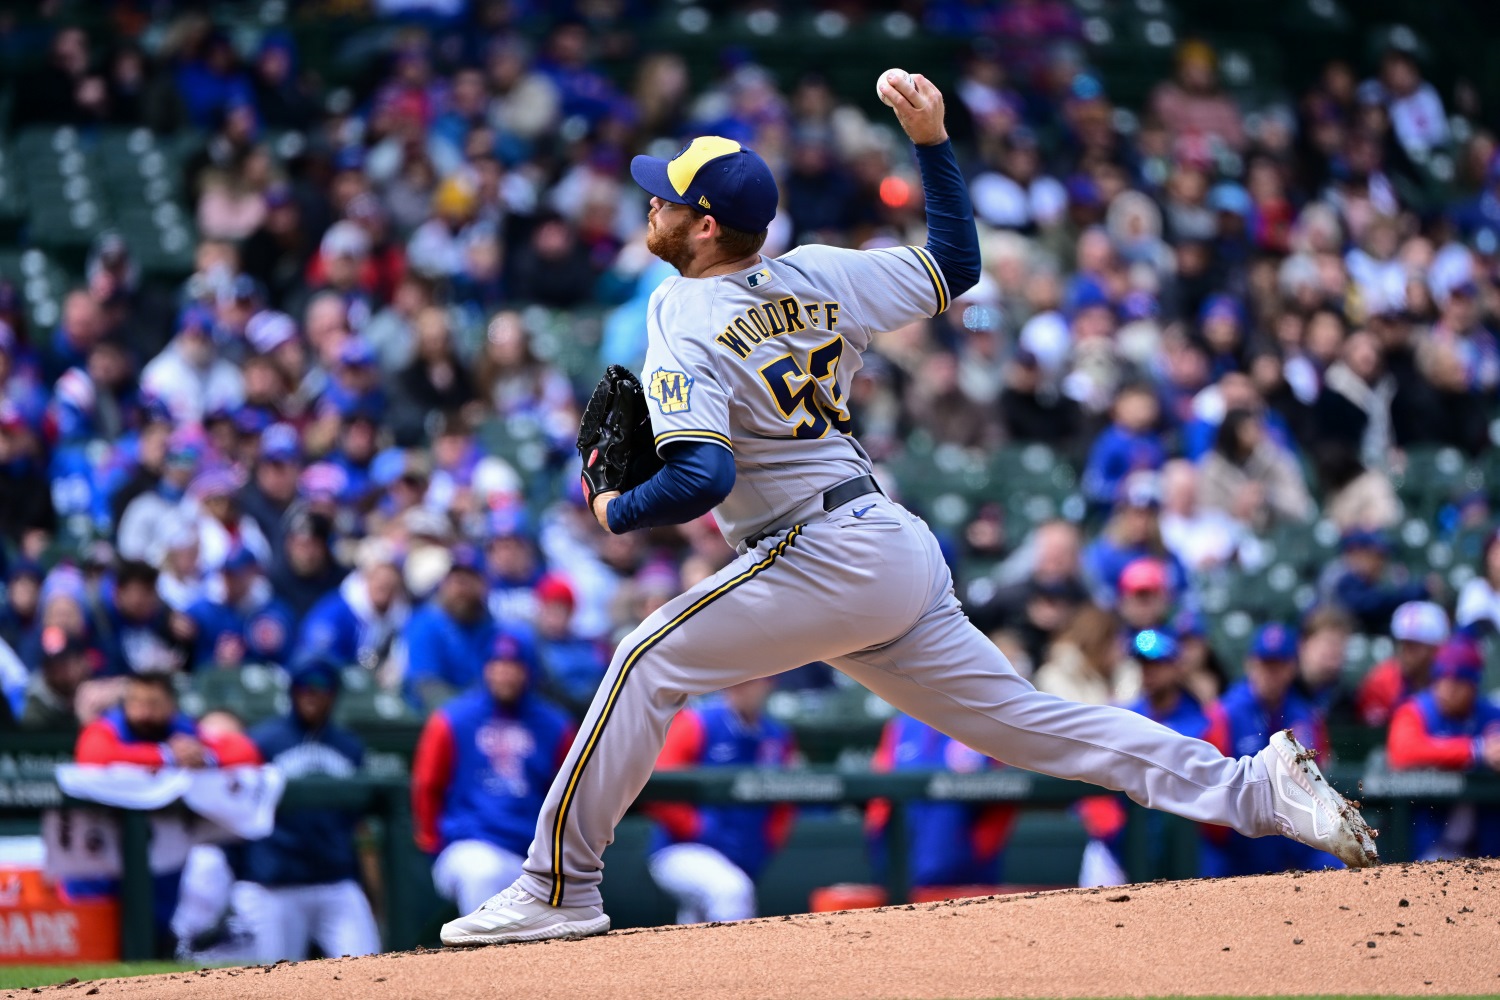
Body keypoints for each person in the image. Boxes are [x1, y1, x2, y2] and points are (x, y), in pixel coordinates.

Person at [439, 71, 1375, 948]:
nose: (653, 202)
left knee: (645, 661)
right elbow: (955, 264)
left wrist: (610, 508)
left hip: (817, 550)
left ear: (706, 227)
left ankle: (560, 885)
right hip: (882, 545)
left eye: (669, 196)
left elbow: (701, 481)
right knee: (1032, 723)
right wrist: (932, 140)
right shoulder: (815, 271)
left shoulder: (681, 314)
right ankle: (1256, 790)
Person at [74, 672, 260, 949]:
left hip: (164, 868)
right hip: (103, 867)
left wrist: (208, 757)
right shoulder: (110, 727)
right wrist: (166, 757)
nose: (143, 712)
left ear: (171, 705)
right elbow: (92, 754)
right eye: (135, 702)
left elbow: (246, 751)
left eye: (153, 703)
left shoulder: (183, 730)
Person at [412, 631, 574, 915]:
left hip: (532, 856)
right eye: (497, 664)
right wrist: (432, 844)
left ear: (529, 670)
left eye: (513, 665)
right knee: (482, 871)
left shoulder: (556, 726)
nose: (504, 673)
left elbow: (573, 799)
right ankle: (482, 961)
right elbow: (427, 786)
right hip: (469, 846)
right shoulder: (451, 720)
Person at [235, 658, 380, 961]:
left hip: (336, 881)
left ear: (334, 694)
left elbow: (360, 823)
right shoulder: (264, 741)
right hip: (276, 884)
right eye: (304, 687)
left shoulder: (349, 747)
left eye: (322, 687)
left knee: (370, 968)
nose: (312, 695)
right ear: (292, 691)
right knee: (274, 980)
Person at [644, 678, 793, 923]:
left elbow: (786, 799)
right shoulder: (697, 722)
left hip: (745, 853)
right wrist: (697, 827)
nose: (741, 688)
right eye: (738, 681)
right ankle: (736, 962)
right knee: (730, 890)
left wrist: (768, 839)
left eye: (751, 681)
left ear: (768, 684)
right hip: (683, 848)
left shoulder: (776, 735)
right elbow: (659, 787)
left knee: (703, 920)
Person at [1203, 625, 1338, 877]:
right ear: (1251, 664)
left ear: (1292, 668)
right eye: (1265, 663)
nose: (1271, 673)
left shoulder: (1306, 716)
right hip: (1239, 838)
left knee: (1338, 868)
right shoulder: (1224, 714)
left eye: (1279, 664)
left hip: (1294, 835)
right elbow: (1211, 785)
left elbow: (1321, 776)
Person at [867, 713, 1015, 892]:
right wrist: (877, 840)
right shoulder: (901, 725)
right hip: (900, 860)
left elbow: (1007, 793)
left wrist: (981, 848)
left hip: (964, 868)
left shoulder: (987, 723)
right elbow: (879, 793)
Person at [1386, 638, 1500, 859]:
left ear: (1473, 684)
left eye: (1457, 681)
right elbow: (1403, 752)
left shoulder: (1491, 716)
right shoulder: (1416, 711)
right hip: (1429, 840)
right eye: (1441, 678)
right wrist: (1475, 751)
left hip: (1486, 842)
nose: (1447, 688)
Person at [402, 545, 498, 709]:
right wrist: (473, 717)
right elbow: (427, 686)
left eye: (469, 580)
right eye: (455, 580)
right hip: (432, 720)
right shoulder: (425, 624)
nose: (460, 589)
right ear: (443, 584)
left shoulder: (493, 627)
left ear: (484, 584)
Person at [185, 546, 295, 670]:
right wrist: (216, 660)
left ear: (253, 572)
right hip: (214, 682)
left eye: (236, 575)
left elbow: (285, 658)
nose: (230, 581)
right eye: (226, 574)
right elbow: (191, 659)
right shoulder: (202, 610)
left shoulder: (273, 610)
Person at [1356, 601, 1449, 727]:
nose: (1404, 653)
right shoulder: (1381, 682)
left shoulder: (1453, 683)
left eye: (1413, 647)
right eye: (1402, 644)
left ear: (1435, 649)